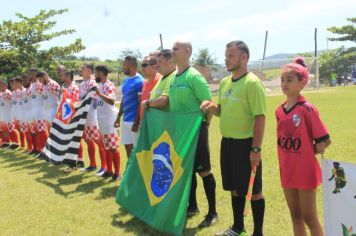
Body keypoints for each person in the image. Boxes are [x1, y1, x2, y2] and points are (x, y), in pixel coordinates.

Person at [202, 41, 266, 236]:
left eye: (231, 56)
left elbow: (260, 117)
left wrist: (255, 149)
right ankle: (238, 228)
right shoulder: (224, 83)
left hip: (246, 145)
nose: (226, 59)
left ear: (244, 58)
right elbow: (222, 111)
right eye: (226, 56)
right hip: (227, 143)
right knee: (235, 189)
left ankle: (258, 233)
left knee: (253, 191)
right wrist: (211, 107)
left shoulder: (253, 83)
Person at [275, 57, 331, 236]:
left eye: (289, 80)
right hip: (287, 169)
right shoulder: (279, 110)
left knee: (309, 217)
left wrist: (311, 149)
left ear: (302, 83)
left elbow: (325, 140)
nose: (284, 84)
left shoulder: (307, 109)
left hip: (305, 170)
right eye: (283, 79)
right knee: (295, 216)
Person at [167, 40, 218, 228]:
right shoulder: (173, 78)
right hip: (179, 132)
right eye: (172, 49)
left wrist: (205, 125)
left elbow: (208, 103)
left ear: (187, 51)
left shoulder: (194, 76)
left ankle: (213, 212)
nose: (172, 52)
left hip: (196, 131)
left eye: (176, 49)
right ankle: (192, 206)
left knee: (204, 170)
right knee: (185, 169)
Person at [95, 65, 121, 181]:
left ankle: (118, 173)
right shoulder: (99, 85)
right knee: (106, 147)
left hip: (110, 120)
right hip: (102, 120)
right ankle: (109, 171)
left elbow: (111, 101)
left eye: (96, 73)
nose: (95, 75)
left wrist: (99, 94)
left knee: (113, 147)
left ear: (100, 73)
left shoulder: (109, 85)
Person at [79, 64, 107, 175]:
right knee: (89, 141)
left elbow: (94, 100)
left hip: (93, 117)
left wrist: (92, 111)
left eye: (83, 68)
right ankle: (92, 164)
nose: (81, 70)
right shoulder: (81, 84)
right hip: (85, 118)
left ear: (89, 71)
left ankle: (104, 167)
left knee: (99, 142)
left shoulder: (92, 83)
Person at [114, 56, 144, 158]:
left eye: (124, 64)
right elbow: (124, 100)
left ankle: (138, 173)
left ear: (131, 65)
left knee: (137, 150)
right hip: (125, 120)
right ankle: (130, 172)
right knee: (128, 147)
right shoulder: (126, 81)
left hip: (134, 121)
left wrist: (136, 122)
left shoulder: (139, 81)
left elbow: (141, 103)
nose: (123, 67)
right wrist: (118, 117)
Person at [61, 70, 85, 171]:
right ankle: (79, 161)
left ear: (68, 77)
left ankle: (73, 163)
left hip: (72, 116)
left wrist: (65, 94)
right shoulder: (65, 87)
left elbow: (75, 101)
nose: (61, 77)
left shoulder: (74, 87)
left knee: (73, 140)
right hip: (66, 116)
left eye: (63, 75)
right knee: (73, 140)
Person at [0, 80, 19, 150]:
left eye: (1, 85)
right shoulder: (1, 94)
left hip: (8, 114)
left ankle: (15, 142)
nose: (0, 87)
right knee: (4, 129)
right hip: (3, 114)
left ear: (5, 85)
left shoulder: (8, 93)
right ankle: (6, 142)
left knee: (11, 129)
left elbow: (13, 103)